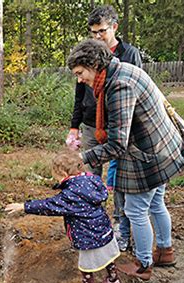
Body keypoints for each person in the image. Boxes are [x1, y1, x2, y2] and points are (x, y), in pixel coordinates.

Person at [67, 39, 184, 280]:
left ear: (93, 64)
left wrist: (82, 159)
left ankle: (144, 264)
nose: (80, 79)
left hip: (148, 154)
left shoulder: (118, 85)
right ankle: (165, 251)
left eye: (80, 73)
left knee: (135, 210)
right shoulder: (123, 69)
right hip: (162, 147)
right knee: (155, 203)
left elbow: (117, 145)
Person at [67, 5, 142, 252]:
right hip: (91, 125)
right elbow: (80, 94)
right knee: (90, 177)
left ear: (114, 27)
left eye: (101, 31)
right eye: (93, 32)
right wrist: (74, 127)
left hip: (120, 128)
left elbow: (134, 93)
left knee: (120, 181)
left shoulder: (128, 54)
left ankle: (122, 229)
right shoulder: (85, 55)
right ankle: (91, 222)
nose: (97, 36)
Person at [5, 150, 122, 283]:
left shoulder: (71, 194)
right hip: (104, 230)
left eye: (56, 176)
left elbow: (49, 206)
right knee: (108, 257)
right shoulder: (91, 180)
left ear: (62, 172)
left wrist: (24, 206)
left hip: (89, 236)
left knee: (86, 267)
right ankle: (113, 281)